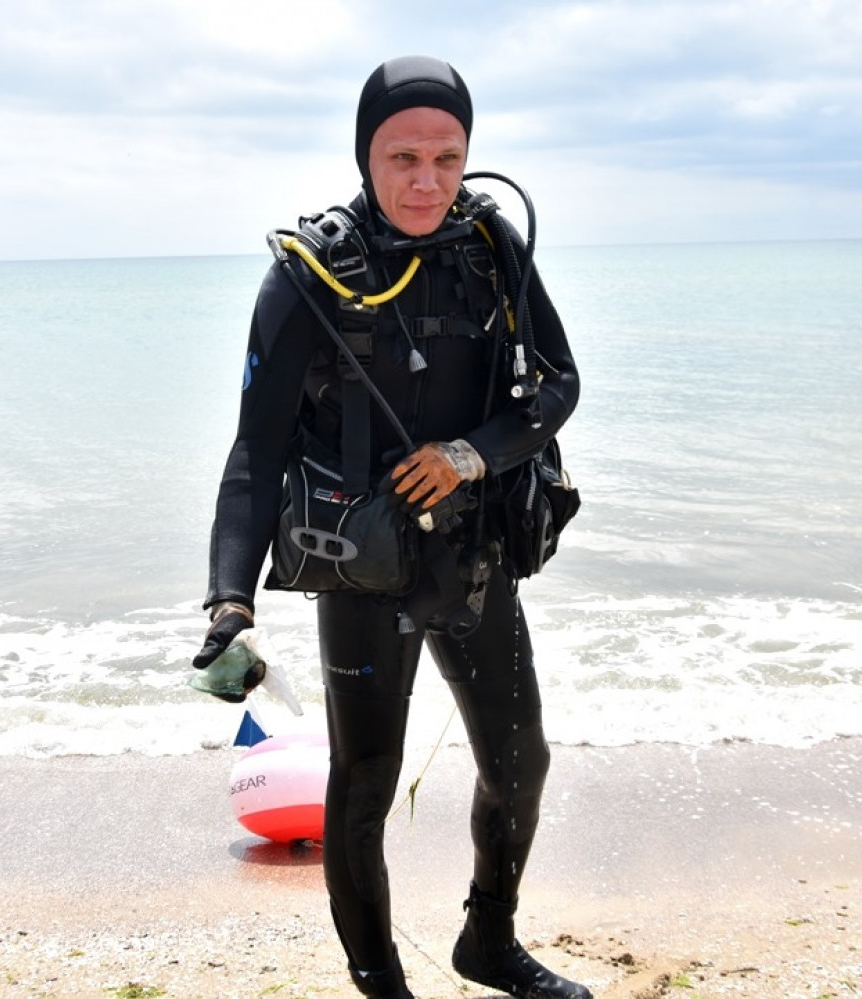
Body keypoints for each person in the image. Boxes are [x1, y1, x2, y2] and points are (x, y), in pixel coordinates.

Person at [192, 55, 590, 999]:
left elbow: (558, 383)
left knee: (520, 763)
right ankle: (382, 985)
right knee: (365, 779)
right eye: (402, 157)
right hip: (363, 571)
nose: (426, 180)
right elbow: (256, 450)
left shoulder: (490, 248)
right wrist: (228, 601)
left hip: (474, 553)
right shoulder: (310, 275)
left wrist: (470, 454)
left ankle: (488, 941)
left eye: (447, 157)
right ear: (365, 156)